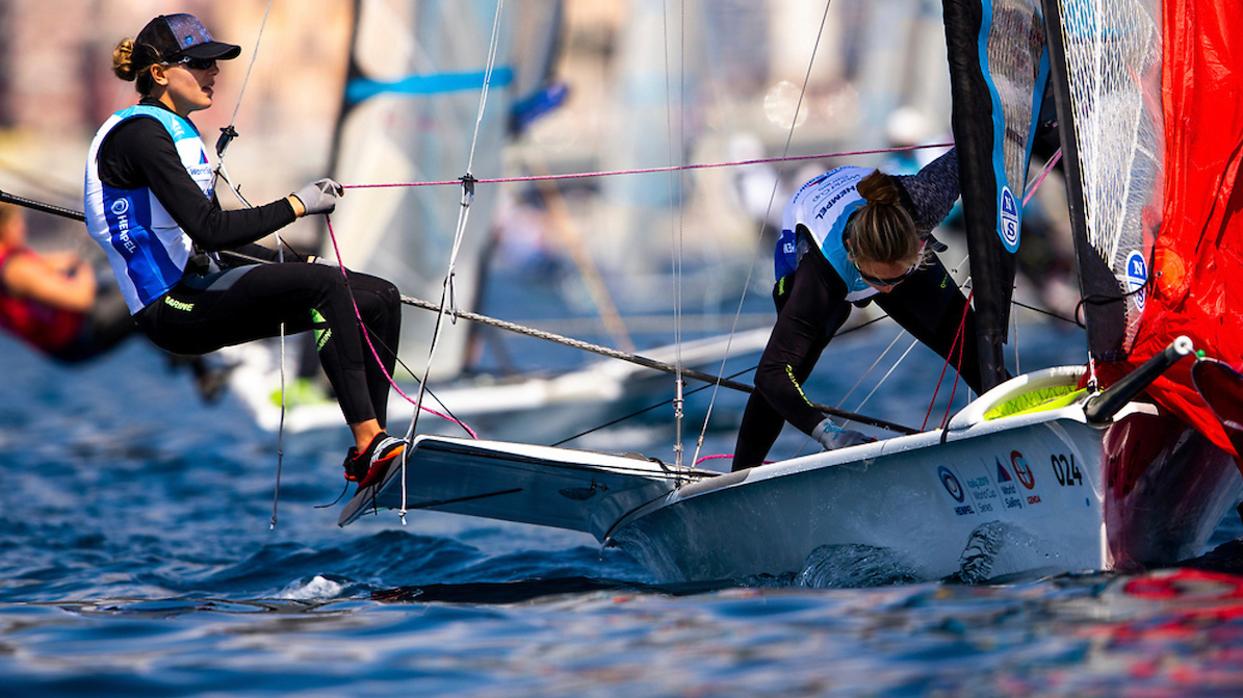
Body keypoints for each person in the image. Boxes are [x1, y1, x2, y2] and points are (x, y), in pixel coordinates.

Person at [85, 13, 405, 489]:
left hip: (201, 285)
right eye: (200, 64)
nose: (214, 73)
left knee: (378, 296)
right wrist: (298, 204)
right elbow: (211, 229)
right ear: (159, 73)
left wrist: (293, 263)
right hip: (169, 308)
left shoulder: (177, 132)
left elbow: (215, 244)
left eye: (214, 64)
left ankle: (372, 449)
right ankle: (367, 440)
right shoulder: (139, 135)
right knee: (325, 288)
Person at [731, 148, 987, 471]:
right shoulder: (820, 276)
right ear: (854, 255)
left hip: (887, 221)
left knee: (970, 343)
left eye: (900, 277)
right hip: (809, 228)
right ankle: (739, 475)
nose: (890, 290)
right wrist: (828, 434)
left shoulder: (923, 202)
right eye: (879, 280)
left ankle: (1016, 419)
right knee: (791, 367)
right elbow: (770, 374)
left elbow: (975, 142)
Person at [0, 202, 228, 398]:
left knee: (132, 299)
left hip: (67, 342)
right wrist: (85, 264)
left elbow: (50, 263)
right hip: (79, 335)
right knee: (144, 291)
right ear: (5, 227)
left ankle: (190, 362)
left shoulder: (13, 261)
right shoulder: (17, 270)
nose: (23, 227)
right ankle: (203, 339)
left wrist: (77, 258)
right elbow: (81, 299)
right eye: (19, 222)